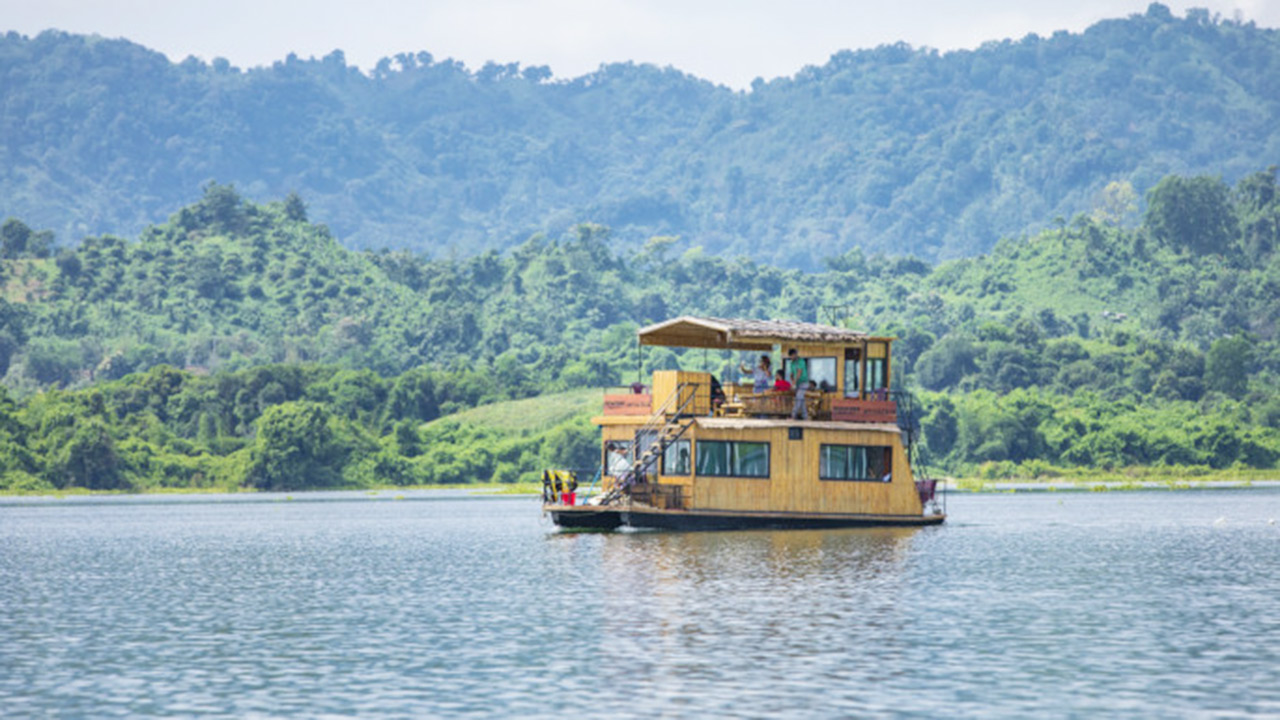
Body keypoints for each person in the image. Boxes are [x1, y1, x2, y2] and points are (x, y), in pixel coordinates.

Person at [788, 348, 809, 419]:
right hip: (797, 384)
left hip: (804, 382)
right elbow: (791, 374)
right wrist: (792, 380)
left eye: (791, 356)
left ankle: (793, 415)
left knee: (798, 398)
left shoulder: (801, 361)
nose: (791, 358)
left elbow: (799, 373)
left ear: (794, 355)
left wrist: (794, 383)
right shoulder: (792, 363)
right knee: (801, 399)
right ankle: (805, 416)